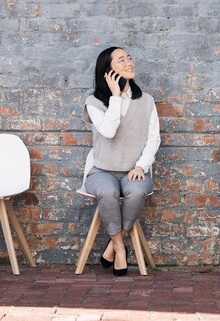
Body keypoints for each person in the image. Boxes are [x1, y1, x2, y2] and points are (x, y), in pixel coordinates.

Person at [82, 46, 160, 276]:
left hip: (134, 171)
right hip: (101, 171)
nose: (129, 63)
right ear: (108, 71)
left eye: (129, 58)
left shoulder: (146, 101)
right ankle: (119, 248)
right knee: (107, 193)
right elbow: (108, 130)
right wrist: (115, 97)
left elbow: (154, 138)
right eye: (121, 60)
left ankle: (112, 245)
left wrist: (141, 166)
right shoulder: (93, 102)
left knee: (136, 193)